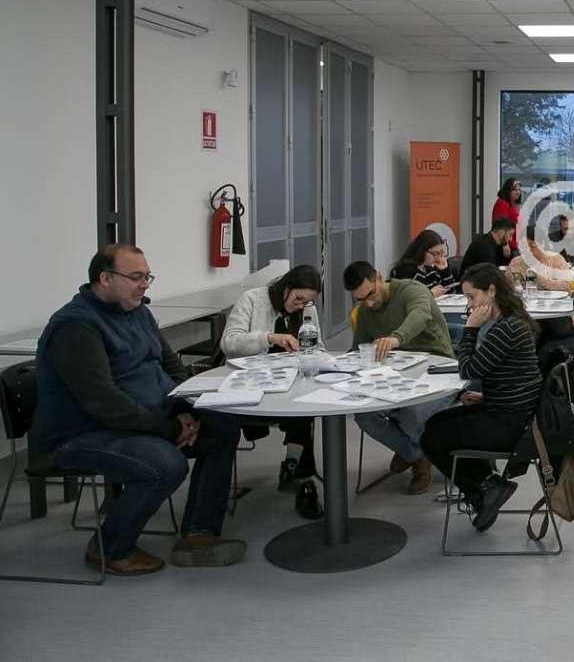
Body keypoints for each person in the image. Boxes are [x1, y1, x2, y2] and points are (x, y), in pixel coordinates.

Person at [28, 244, 246, 576]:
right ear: (105, 278)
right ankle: (109, 548)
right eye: (135, 277)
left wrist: (185, 409)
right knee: (165, 465)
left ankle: (199, 534)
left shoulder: (137, 312)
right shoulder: (75, 327)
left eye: (147, 277)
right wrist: (169, 428)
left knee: (221, 425)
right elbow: (104, 403)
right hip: (80, 435)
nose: (144, 285)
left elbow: (171, 366)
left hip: (140, 420)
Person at [420, 265, 542, 532]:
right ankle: (487, 485)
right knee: (435, 424)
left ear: (492, 291)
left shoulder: (506, 329)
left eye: (472, 297)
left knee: (432, 437)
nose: (469, 304)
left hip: (510, 425)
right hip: (513, 413)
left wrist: (470, 328)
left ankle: (482, 490)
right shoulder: (511, 322)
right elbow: (515, 377)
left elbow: (469, 369)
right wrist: (487, 396)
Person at [219, 264, 325, 520]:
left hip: (289, 383)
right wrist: (269, 338)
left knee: (305, 407)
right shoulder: (252, 299)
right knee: (300, 407)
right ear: (286, 287)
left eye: (307, 302)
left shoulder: (307, 309)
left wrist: (316, 356)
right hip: (250, 387)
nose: (301, 306)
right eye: (298, 298)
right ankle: (300, 477)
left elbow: (319, 346)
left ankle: (295, 469)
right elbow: (229, 343)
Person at [344, 261, 455, 495]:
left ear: (378, 277)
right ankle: (416, 454)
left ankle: (414, 454)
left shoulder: (411, 290)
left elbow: (420, 315)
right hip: (396, 377)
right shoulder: (365, 311)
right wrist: (337, 366)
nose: (368, 303)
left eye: (371, 294)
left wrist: (396, 338)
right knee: (365, 415)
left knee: (409, 413)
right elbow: (357, 350)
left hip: (436, 372)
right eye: (360, 299)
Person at [507, 225, 574, 291]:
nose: (528, 250)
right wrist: (510, 278)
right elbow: (508, 286)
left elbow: (568, 284)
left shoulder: (556, 259)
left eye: (532, 245)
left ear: (542, 244)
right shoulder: (516, 262)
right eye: (524, 246)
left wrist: (541, 280)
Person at [390, 230, 458, 296]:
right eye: (435, 254)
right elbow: (408, 297)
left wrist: (445, 272)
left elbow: (452, 294)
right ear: (422, 251)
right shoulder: (404, 271)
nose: (438, 258)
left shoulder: (430, 270)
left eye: (441, 253)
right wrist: (430, 294)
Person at [491, 177, 523, 255]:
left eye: (519, 190)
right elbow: (500, 226)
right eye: (515, 190)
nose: (518, 192)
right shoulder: (502, 203)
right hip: (507, 247)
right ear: (508, 190)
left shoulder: (513, 205)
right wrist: (504, 244)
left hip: (515, 245)